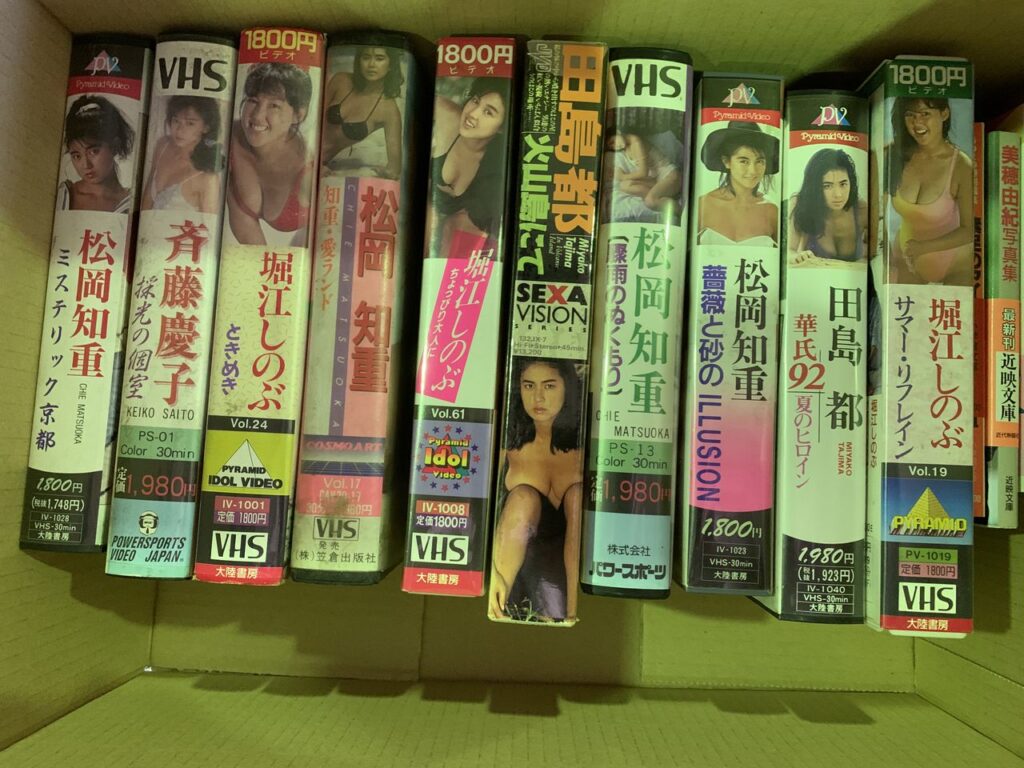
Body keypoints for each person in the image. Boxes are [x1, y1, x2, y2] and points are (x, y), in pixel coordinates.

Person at [490, 357, 583, 623]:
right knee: (523, 497)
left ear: (567, 387)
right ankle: (499, 602)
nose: (538, 397)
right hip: (516, 566)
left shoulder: (585, 446)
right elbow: (477, 505)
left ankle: (569, 609)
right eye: (529, 386)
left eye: (549, 386)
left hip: (565, 576)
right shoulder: (507, 444)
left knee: (577, 496)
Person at [886, 97, 973, 285]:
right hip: (905, 257)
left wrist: (923, 247)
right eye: (910, 115)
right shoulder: (894, 155)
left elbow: (969, 230)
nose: (917, 123)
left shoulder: (961, 165)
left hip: (954, 263)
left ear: (944, 114)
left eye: (925, 114)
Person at [227, 63, 314, 246]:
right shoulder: (229, 136)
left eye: (274, 106)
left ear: (298, 115)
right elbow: (245, 229)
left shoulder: (310, 170)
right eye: (253, 101)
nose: (258, 116)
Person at [429, 77, 509, 252]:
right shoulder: (448, 115)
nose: (473, 114)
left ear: (502, 127)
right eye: (475, 101)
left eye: (488, 112)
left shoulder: (498, 166)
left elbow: (475, 226)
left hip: (461, 228)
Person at [321, 46, 403, 178]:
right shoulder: (341, 80)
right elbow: (312, 117)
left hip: (319, 164)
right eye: (366, 57)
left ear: (391, 66)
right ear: (359, 61)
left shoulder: (389, 110)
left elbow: (394, 169)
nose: (371, 64)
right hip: (300, 151)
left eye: (379, 58)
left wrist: (375, 174)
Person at [696, 120, 780, 246]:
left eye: (759, 161)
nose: (753, 171)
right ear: (727, 162)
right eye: (744, 161)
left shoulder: (772, 211)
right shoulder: (703, 205)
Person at [142, 95, 223, 213]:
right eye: (176, 121)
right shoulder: (163, 145)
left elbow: (208, 223)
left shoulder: (208, 177)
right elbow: (147, 200)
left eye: (190, 123)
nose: (179, 130)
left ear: (206, 127)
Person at [788, 148, 867, 265]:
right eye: (827, 186)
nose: (838, 194)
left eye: (843, 184)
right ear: (814, 187)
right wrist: (797, 257)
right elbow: (789, 251)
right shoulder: (801, 204)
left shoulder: (862, 210)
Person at [58, 95, 136, 213]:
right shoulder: (64, 195)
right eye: (77, 156)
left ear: (115, 146)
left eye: (93, 151)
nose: (86, 165)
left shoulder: (131, 203)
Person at [605, 130, 682, 223]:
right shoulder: (626, 149)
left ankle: (680, 211)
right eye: (611, 147)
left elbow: (643, 173)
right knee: (624, 185)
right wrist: (617, 174)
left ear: (618, 132)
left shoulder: (636, 142)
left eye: (613, 141)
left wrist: (622, 176)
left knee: (650, 201)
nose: (615, 146)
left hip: (669, 175)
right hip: (656, 180)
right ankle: (662, 198)